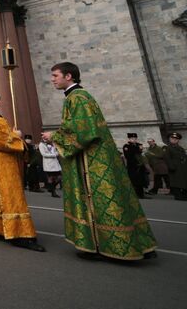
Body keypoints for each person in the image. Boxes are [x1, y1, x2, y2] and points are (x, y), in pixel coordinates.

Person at [41, 62, 157, 260]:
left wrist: (54, 136)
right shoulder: (79, 97)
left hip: (91, 161)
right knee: (114, 199)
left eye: (55, 75)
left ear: (68, 76)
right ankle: (137, 243)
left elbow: (85, 132)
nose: (52, 79)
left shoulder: (77, 98)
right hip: (98, 158)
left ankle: (109, 247)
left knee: (99, 201)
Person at [0, 89, 44, 252]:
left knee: (5, 197)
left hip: (6, 163)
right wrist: (16, 136)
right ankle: (20, 235)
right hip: (0, 165)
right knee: (11, 198)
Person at [123, 133, 148, 199]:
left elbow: (140, 153)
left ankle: (141, 194)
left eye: (135, 138)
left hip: (140, 166)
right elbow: (128, 155)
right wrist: (137, 149)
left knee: (141, 181)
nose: (134, 140)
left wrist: (138, 148)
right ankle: (135, 195)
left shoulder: (139, 145)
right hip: (132, 166)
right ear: (129, 139)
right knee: (134, 181)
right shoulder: (126, 146)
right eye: (132, 138)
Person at [164, 133, 187, 201]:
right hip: (174, 168)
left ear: (178, 140)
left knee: (183, 182)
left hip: (182, 168)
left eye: (176, 139)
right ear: (169, 139)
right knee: (176, 182)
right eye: (172, 139)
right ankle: (178, 196)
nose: (174, 140)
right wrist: (171, 166)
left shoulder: (180, 148)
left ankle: (184, 195)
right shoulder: (167, 148)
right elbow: (167, 158)